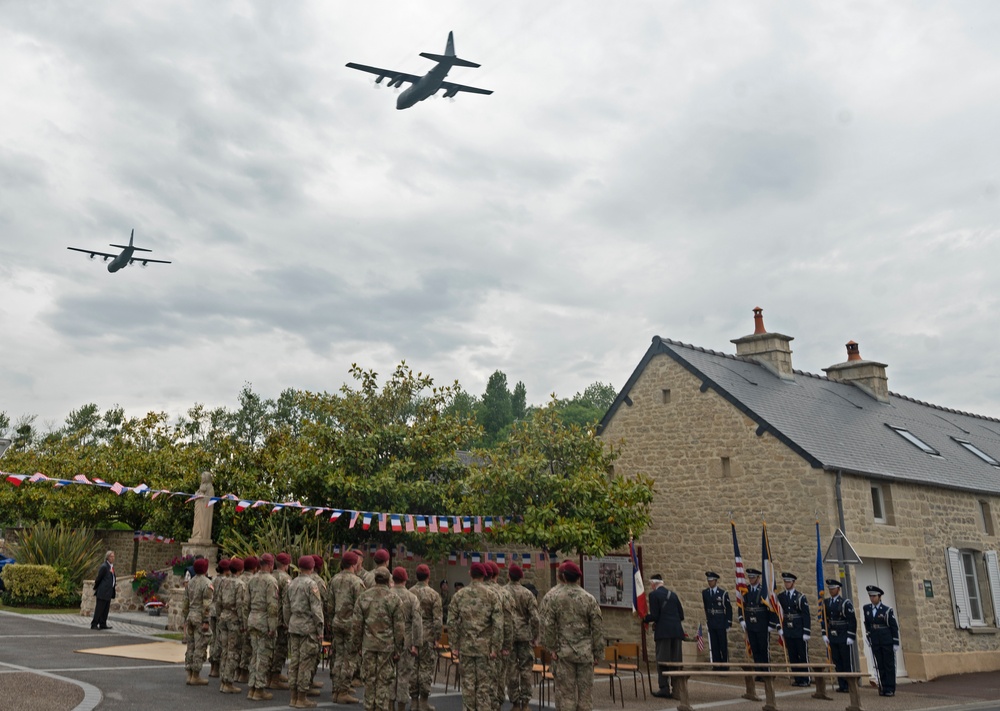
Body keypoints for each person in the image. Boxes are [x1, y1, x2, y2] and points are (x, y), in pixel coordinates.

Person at [539, 561, 603, 711]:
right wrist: (598, 652)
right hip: (585, 653)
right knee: (585, 695)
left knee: (566, 695)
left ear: (563, 577)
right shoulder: (589, 599)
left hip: (564, 653)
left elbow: (548, 625)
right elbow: (598, 628)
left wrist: (552, 649)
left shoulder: (555, 598)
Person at [450, 563, 502, 711]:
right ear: (484, 575)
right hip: (484, 649)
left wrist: (454, 646)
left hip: (466, 648)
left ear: (470, 574)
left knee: (467, 686)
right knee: (484, 687)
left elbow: (452, 622)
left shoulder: (459, 595)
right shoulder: (492, 596)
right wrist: (495, 647)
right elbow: (498, 624)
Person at [352, 566, 405, 711]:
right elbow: (399, 628)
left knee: (369, 680)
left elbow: (356, 625)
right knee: (383, 681)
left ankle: (369, 707)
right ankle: (381, 707)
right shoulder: (394, 599)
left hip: (368, 645)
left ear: (375, 579)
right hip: (386, 647)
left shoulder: (363, 597)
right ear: (389, 580)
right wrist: (398, 649)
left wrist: (357, 645)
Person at [284, 554, 324, 709]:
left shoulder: (291, 583)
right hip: (308, 628)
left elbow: (286, 607)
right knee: (305, 663)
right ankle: (301, 697)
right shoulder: (311, 585)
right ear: (312, 568)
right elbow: (316, 609)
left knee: (295, 662)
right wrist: (320, 628)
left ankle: (293, 696)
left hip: (294, 625)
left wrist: (289, 623)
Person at [329, 551, 365, 704]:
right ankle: (343, 690)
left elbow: (329, 605)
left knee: (338, 656)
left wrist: (331, 620)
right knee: (349, 658)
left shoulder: (334, 580)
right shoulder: (357, 582)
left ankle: (336, 689)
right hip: (351, 625)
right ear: (353, 565)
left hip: (337, 622)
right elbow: (361, 608)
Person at [644, 573, 684, 698]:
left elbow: (655, 615)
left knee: (662, 660)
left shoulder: (653, 595)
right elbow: (681, 615)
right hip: (677, 631)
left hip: (663, 632)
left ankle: (664, 688)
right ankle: (677, 689)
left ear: (653, 584)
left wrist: (644, 618)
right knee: (676, 660)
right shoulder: (673, 595)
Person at [505, 564, 539, 711]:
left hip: (509, 636)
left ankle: (515, 703)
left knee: (511, 670)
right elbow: (535, 618)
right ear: (521, 577)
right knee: (526, 670)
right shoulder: (527, 594)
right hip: (525, 636)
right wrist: (535, 635)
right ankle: (525, 703)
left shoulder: (502, 592)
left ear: (508, 576)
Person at [410, 564, 443, 711]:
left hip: (412, 636)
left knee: (413, 668)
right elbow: (437, 620)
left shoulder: (410, 593)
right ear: (428, 577)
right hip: (428, 637)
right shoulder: (434, 595)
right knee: (425, 669)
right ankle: (423, 702)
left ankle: (413, 701)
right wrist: (437, 638)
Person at [246, 553, 279, 701]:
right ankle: (259, 689)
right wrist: (273, 627)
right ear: (271, 565)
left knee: (254, 655)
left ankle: (252, 687)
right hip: (264, 621)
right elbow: (272, 607)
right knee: (263, 656)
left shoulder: (252, 579)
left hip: (252, 618)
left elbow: (245, 602)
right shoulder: (271, 581)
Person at [390, 567, 422, 711]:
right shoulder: (412, 598)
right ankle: (401, 707)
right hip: (407, 641)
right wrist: (416, 644)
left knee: (390, 675)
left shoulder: (387, 595)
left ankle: (389, 706)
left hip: (389, 641)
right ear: (405, 579)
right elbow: (417, 622)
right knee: (403, 677)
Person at [182, 557, 214, 686]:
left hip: (190, 615)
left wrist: (186, 617)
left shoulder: (190, 582)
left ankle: (189, 674)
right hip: (200, 617)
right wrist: (206, 620)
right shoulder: (207, 583)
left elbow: (185, 602)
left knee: (190, 646)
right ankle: (196, 675)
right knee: (200, 647)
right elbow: (207, 605)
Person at [821, 578, 857, 693]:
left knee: (846, 660)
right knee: (837, 661)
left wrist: (851, 636)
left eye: (833, 588)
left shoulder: (845, 603)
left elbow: (852, 620)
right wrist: (824, 633)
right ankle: (842, 684)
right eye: (830, 589)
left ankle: (849, 684)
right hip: (833, 635)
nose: (831, 591)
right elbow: (823, 619)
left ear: (838, 589)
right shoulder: (826, 602)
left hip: (843, 634)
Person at [863, 585, 899, 697]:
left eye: (874, 596)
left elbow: (893, 627)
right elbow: (868, 624)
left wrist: (895, 642)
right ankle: (883, 686)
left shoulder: (887, 610)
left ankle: (890, 688)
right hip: (875, 639)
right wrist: (868, 636)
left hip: (886, 639)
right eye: (870, 596)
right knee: (880, 665)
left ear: (879, 597)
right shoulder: (867, 609)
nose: (872, 598)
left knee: (888, 665)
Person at [219, 557, 248, 694]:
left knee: (224, 650)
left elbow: (218, 601)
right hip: (234, 619)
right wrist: (243, 623)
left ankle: (223, 680)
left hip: (223, 616)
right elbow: (240, 606)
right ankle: (228, 682)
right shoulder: (240, 584)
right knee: (233, 651)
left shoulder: (223, 582)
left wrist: (220, 614)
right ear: (241, 569)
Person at [776, 573, 810, 686]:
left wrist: (806, 631)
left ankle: (805, 679)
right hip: (788, 630)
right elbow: (778, 613)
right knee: (793, 656)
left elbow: (806, 615)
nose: (787, 584)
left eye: (789, 582)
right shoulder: (781, 597)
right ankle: (797, 678)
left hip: (799, 630)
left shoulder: (800, 597)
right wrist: (779, 627)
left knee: (802, 655)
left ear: (793, 583)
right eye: (785, 582)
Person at [739, 568, 772, 674]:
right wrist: (741, 619)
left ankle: (766, 672)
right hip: (750, 624)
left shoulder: (763, 590)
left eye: (753, 577)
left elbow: (771, 608)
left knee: (763, 649)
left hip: (762, 624)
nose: (751, 579)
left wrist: (771, 624)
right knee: (755, 648)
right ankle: (758, 672)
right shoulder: (745, 590)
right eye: (749, 577)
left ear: (758, 578)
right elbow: (741, 606)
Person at [268, 552, 293, 690]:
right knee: (280, 649)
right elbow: (286, 602)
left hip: (269, 618)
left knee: (271, 648)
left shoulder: (270, 576)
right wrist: (287, 621)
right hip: (280, 619)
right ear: (286, 565)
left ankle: (269, 675)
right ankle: (275, 678)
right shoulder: (286, 579)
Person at [701, 572, 732, 669]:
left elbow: (728, 609)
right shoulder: (705, 593)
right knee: (714, 645)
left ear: (715, 581)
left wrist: (728, 622)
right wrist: (707, 620)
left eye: (711, 580)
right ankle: (716, 665)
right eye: (708, 581)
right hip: (712, 621)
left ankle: (725, 666)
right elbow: (706, 607)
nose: (710, 582)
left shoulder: (723, 593)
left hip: (721, 622)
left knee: (722, 645)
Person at [209, 558, 232, 678]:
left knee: (213, 638)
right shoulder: (225, 581)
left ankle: (213, 665)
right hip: (219, 611)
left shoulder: (214, 579)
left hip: (212, 609)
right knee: (219, 639)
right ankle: (216, 667)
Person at [91, 551, 116, 630]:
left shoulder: (111, 567)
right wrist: (96, 587)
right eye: (111, 556)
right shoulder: (104, 566)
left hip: (109, 591)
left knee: (105, 609)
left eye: (113, 556)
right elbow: (99, 578)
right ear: (107, 557)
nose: (113, 558)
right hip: (103, 591)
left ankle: (103, 623)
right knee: (99, 609)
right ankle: (94, 624)